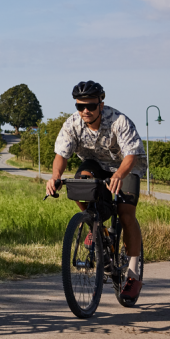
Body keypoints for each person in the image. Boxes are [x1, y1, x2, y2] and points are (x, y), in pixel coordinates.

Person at [45, 80, 145, 301]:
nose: (85, 111)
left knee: (126, 213)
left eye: (90, 105)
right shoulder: (72, 124)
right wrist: (55, 177)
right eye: (80, 106)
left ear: (101, 103)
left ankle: (133, 272)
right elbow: (61, 155)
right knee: (80, 183)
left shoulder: (119, 121)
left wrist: (118, 175)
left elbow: (131, 155)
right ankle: (94, 224)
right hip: (95, 165)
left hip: (125, 167)